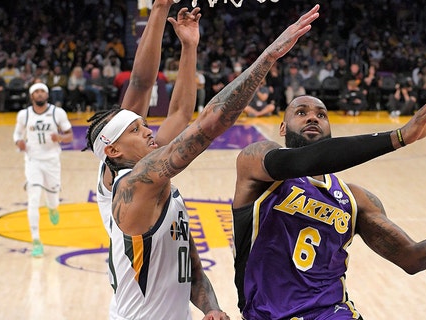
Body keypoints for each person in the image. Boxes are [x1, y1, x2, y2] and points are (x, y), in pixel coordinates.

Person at [82, 4, 320, 319]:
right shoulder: (134, 183)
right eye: (136, 128)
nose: (149, 129)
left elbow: (181, 114)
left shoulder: (151, 172)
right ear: (112, 149)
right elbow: (196, 117)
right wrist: (268, 57)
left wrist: (189, 47)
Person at [231, 82, 426, 319]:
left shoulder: (355, 199)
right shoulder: (258, 165)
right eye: (301, 112)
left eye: (321, 114)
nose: (313, 117)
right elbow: (301, 161)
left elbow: (411, 256)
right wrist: (399, 137)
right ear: (282, 127)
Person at [13, 82, 73, 257]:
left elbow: (70, 135)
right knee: (33, 198)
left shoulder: (57, 113)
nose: (39, 94)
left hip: (52, 161)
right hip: (33, 160)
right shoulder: (24, 115)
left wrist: (60, 137)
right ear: (32, 96)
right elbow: (17, 134)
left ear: (47, 95)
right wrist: (19, 142)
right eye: (36, 92)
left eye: (42, 91)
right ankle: (36, 240)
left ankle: (53, 207)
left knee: (53, 199)